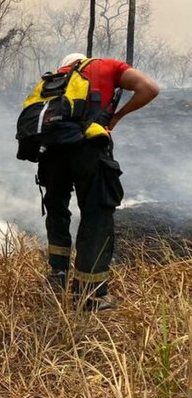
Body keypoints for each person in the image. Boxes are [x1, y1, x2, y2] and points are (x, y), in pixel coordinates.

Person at [38, 52, 159, 311]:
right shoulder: (106, 66)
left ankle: (57, 276)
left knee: (57, 210)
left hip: (53, 152)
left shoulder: (55, 79)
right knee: (96, 215)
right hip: (88, 150)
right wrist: (117, 116)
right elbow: (149, 89)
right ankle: (91, 295)